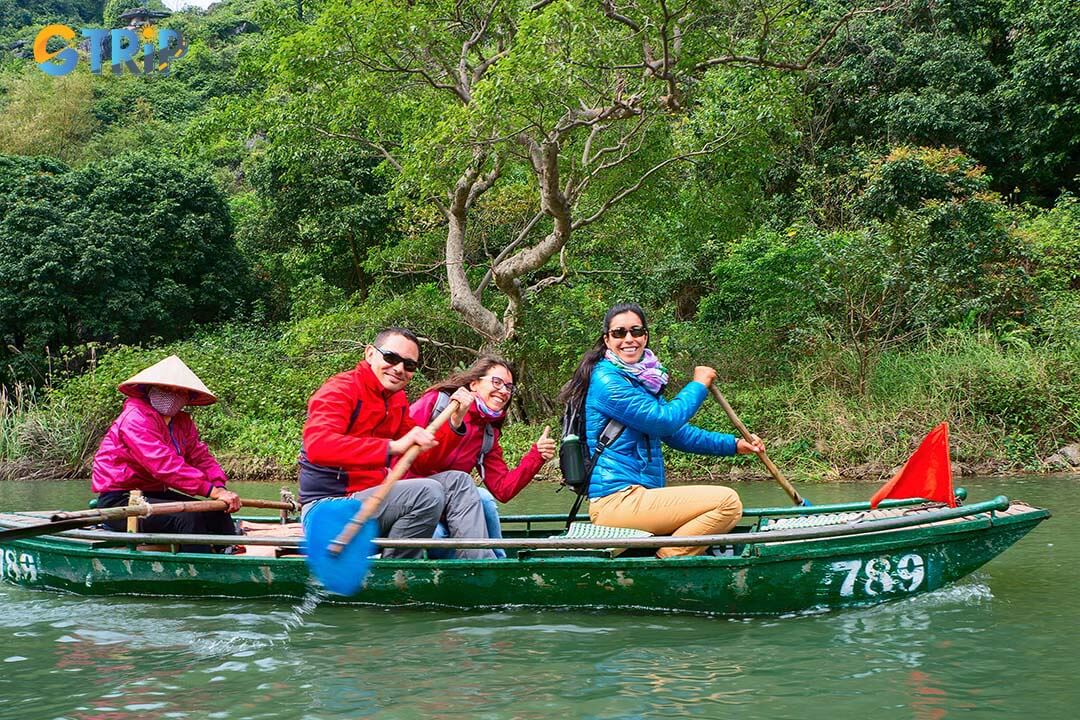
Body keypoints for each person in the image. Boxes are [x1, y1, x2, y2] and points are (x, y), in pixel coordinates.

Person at [559, 303, 763, 558]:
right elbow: (664, 421)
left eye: (636, 331)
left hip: (639, 498)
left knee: (722, 504)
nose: (629, 339)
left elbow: (676, 434)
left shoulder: (641, 380)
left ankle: (662, 558)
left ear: (645, 336)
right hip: (617, 501)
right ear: (607, 340)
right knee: (727, 503)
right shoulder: (607, 381)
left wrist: (733, 445)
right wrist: (698, 385)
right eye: (619, 333)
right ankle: (666, 561)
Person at [298, 327, 497, 560]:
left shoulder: (396, 400)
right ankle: (398, 575)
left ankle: (478, 568)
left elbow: (423, 459)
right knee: (428, 492)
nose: (399, 369)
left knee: (458, 481)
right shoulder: (339, 390)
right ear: (370, 353)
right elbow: (318, 446)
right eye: (391, 358)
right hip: (329, 511)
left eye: (409, 365)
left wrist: (455, 421)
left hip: (375, 499)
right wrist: (392, 447)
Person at [91, 355, 242, 553]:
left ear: (187, 397)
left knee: (216, 511)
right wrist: (210, 491)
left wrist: (219, 488)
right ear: (149, 389)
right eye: (166, 389)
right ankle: (201, 571)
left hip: (156, 494)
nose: (172, 395)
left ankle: (230, 556)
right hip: (121, 500)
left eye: (180, 392)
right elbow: (163, 464)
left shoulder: (182, 422)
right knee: (189, 518)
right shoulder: (135, 418)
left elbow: (201, 457)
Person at [409, 356, 558, 558]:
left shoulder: (487, 432)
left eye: (509, 387)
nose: (504, 391)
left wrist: (536, 457)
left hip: (453, 504)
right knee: (438, 534)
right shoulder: (436, 404)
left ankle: (497, 563)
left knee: (485, 499)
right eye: (496, 382)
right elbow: (414, 461)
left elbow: (503, 489)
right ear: (474, 383)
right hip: (416, 502)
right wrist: (454, 423)